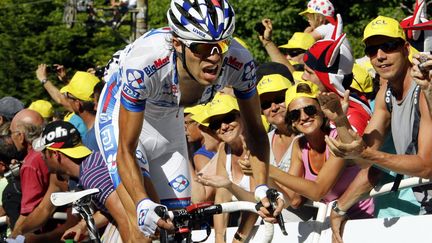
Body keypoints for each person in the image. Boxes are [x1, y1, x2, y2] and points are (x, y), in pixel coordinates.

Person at [95, 0, 281, 238]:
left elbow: (255, 130)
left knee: (177, 227)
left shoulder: (239, 61)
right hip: (123, 114)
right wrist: (142, 203)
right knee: (144, 227)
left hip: (169, 117)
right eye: (202, 48)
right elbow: (126, 150)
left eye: (221, 45)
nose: (214, 58)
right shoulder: (145, 64)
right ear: (177, 44)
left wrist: (262, 187)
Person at [324, 16, 432, 243]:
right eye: (372, 50)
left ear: (405, 48)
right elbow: (366, 161)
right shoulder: (386, 94)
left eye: (389, 46)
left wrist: (365, 153)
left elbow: (426, 166)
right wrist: (341, 121)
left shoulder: (424, 87)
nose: (380, 55)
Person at [29, 120, 145, 242]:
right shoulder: (90, 163)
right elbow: (113, 209)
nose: (42, 157)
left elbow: (126, 217)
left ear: (55, 154)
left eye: (44, 152)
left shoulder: (92, 174)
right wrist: (82, 226)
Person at [8, 109, 49, 232]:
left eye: (12, 133)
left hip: (46, 233)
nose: (11, 137)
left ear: (21, 136)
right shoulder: (49, 151)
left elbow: (28, 213)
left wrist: (14, 236)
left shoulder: (31, 164)